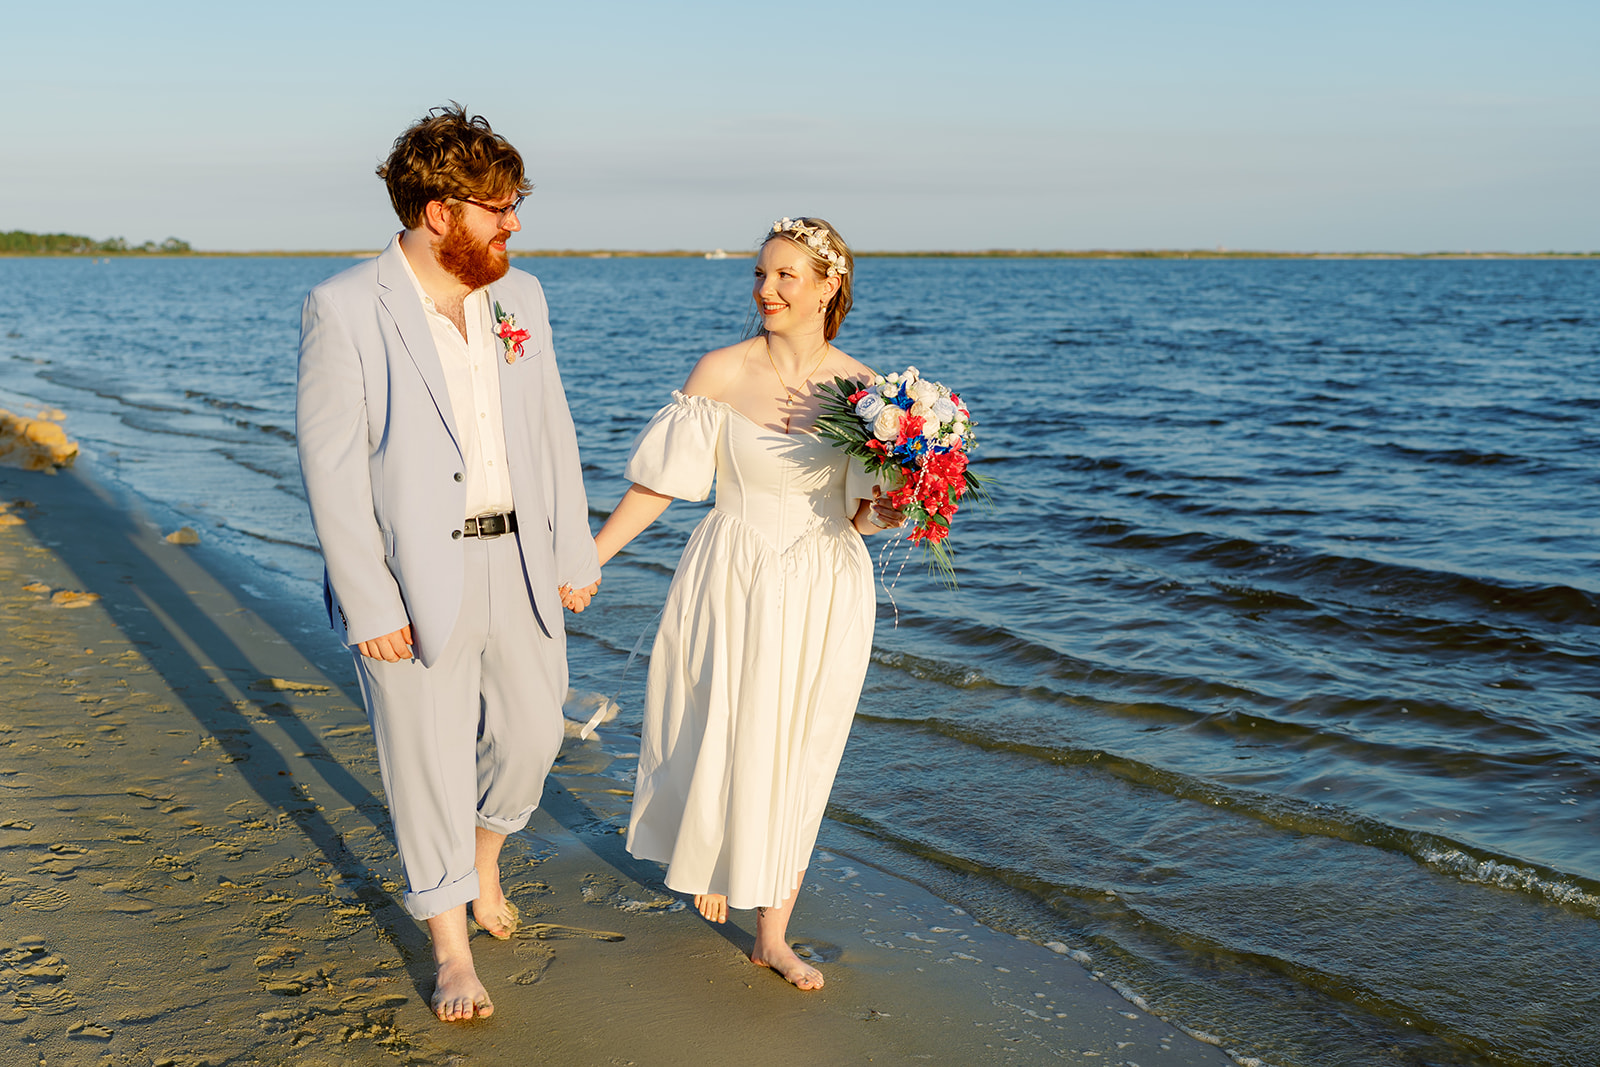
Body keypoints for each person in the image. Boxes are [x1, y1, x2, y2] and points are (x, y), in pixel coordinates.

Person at [295, 105, 600, 1022]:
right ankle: (451, 950)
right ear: (440, 212)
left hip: (521, 556)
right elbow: (331, 466)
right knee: (425, 760)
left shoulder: (522, 297)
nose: (514, 224)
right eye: (498, 208)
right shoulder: (345, 306)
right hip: (410, 576)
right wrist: (369, 599)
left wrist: (573, 545)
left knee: (535, 734)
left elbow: (552, 427)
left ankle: (483, 858)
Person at [590, 217, 902, 990]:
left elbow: (861, 513)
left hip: (825, 581)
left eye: (785, 275)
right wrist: (591, 557)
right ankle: (716, 855)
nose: (767, 289)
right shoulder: (722, 370)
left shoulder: (867, 392)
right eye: (761, 274)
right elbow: (661, 484)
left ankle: (772, 933)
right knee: (721, 722)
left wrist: (897, 503)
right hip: (732, 570)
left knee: (802, 745)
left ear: (827, 286)